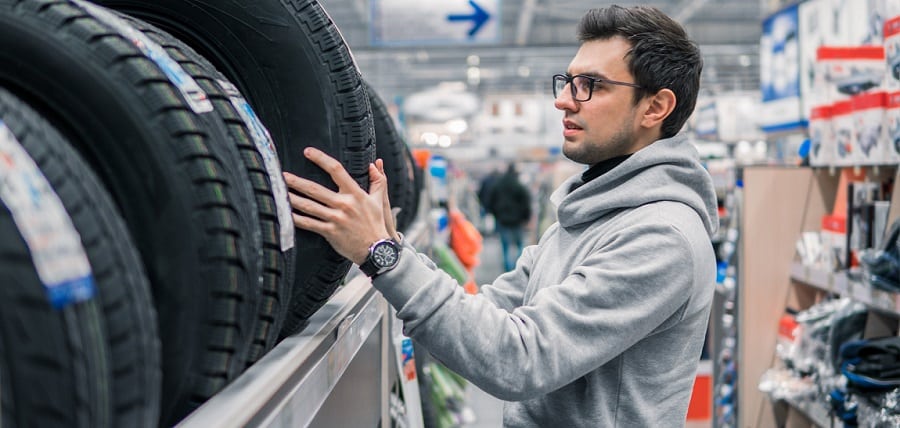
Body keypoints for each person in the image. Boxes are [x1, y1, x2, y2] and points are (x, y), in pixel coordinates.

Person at [283, 5, 717, 426]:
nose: (564, 101)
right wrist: (390, 241)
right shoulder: (588, 213)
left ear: (655, 107)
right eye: (567, 82)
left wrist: (383, 255)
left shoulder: (662, 237)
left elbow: (519, 359)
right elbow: (486, 313)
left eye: (592, 85)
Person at [485, 162, 532, 271]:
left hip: (502, 220)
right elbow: (525, 202)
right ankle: (519, 270)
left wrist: (495, 213)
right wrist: (526, 217)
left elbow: (490, 200)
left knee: (505, 247)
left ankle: (507, 270)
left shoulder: (498, 184)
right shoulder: (518, 185)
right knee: (519, 245)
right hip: (517, 220)